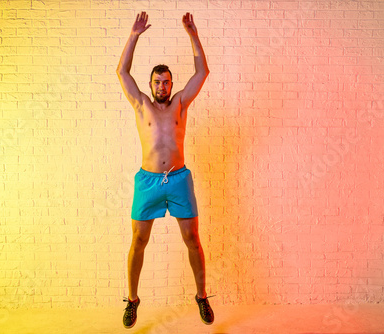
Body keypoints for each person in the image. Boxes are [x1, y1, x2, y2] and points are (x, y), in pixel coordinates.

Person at [116, 11, 213, 329]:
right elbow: (121, 72)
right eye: (157, 82)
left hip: (179, 179)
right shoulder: (140, 104)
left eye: (166, 82)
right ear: (150, 84)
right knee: (138, 241)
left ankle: (201, 296)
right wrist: (133, 36)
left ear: (171, 84)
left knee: (192, 239)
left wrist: (192, 33)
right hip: (148, 182)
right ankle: (132, 300)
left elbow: (202, 71)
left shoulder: (181, 104)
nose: (162, 86)